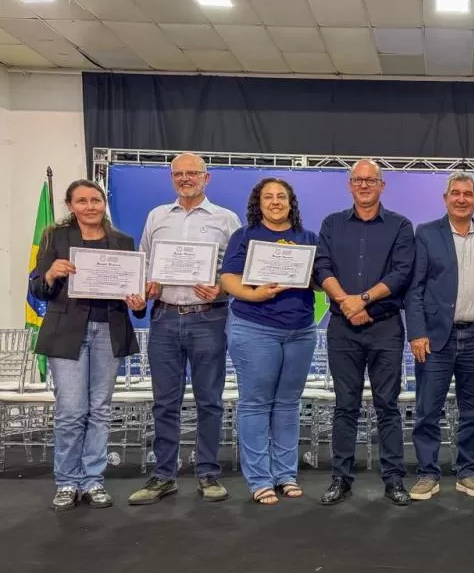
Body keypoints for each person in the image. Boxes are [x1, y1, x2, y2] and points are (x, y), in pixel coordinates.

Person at [128, 153, 242, 505]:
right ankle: (163, 475)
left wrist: (221, 289)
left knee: (209, 401)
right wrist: (142, 290)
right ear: (172, 178)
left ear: (207, 179)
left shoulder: (226, 219)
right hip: (163, 316)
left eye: (193, 173)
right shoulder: (156, 217)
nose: (186, 178)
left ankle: (207, 474)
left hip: (209, 316)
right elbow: (144, 263)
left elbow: (236, 271)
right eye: (179, 174)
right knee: (165, 403)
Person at [29, 180, 147, 511]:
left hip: (109, 330)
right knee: (70, 411)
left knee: (100, 409)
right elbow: (38, 289)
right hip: (66, 331)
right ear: (70, 205)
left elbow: (135, 303)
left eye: (95, 200)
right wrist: (51, 274)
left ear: (104, 203)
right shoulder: (55, 238)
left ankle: (93, 480)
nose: (90, 206)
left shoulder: (122, 241)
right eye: (82, 201)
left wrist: (138, 302)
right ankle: (67, 481)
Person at [314, 159, 414, 506]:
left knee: (388, 406)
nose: (365, 185)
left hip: (385, 327)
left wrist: (364, 300)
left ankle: (394, 479)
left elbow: (402, 272)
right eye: (358, 180)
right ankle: (341, 479)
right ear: (350, 185)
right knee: (345, 407)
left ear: (382, 186)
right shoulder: (332, 223)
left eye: (371, 180)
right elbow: (321, 266)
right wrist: (345, 303)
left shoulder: (400, 226)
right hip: (343, 327)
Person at [219, 178, 318, 505]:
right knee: (256, 403)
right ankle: (260, 479)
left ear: (291, 202)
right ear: (258, 203)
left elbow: (318, 283)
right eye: (268, 197)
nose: (275, 202)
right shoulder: (244, 236)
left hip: (301, 330)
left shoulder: (307, 239)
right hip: (254, 327)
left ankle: (286, 474)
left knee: (289, 404)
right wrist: (253, 294)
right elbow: (228, 278)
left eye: (282, 197)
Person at [405, 172, 474, 501]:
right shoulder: (426, 234)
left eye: (467, 194)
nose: (461, 199)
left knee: (473, 410)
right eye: (455, 193)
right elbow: (413, 290)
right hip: (435, 339)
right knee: (428, 409)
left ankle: (467, 472)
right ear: (445, 199)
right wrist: (416, 332)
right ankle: (428, 474)